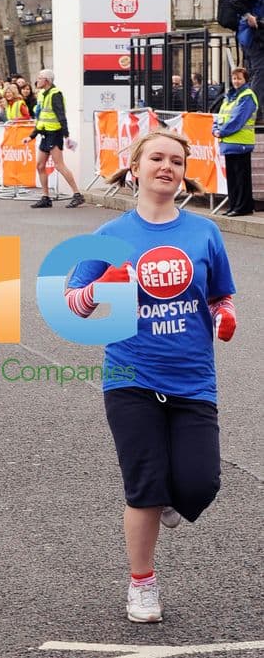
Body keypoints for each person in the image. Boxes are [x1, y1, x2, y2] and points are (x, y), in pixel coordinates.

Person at [65, 129, 236, 623]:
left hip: (193, 377)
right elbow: (73, 304)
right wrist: (100, 286)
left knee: (200, 484)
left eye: (176, 161)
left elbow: (220, 295)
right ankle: (142, 584)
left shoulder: (204, 232)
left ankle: (168, 498)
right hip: (130, 376)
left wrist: (224, 315)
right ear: (135, 168)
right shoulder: (108, 236)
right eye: (157, 158)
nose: (167, 167)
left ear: (184, 173)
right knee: (144, 486)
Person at [23, 68, 84, 208]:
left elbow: (61, 116)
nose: (37, 80)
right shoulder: (42, 94)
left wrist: (66, 135)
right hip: (45, 133)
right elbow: (41, 118)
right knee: (40, 165)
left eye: (40, 78)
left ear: (47, 81)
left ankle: (77, 194)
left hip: (55, 133)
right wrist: (31, 136)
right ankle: (45, 197)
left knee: (59, 165)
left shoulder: (55, 94)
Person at [213, 66, 257, 216]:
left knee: (241, 177)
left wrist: (221, 131)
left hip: (241, 142)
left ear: (245, 80)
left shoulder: (247, 96)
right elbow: (220, 116)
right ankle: (234, 206)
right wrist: (215, 129)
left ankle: (242, 207)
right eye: (234, 78)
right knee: (232, 177)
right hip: (229, 142)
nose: (236, 81)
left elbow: (238, 119)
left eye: (239, 78)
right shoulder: (229, 97)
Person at [230, 0, 264, 124]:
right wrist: (248, 16)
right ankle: (253, 111)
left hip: (257, 37)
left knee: (255, 72)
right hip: (251, 37)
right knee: (260, 71)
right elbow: (235, 1)